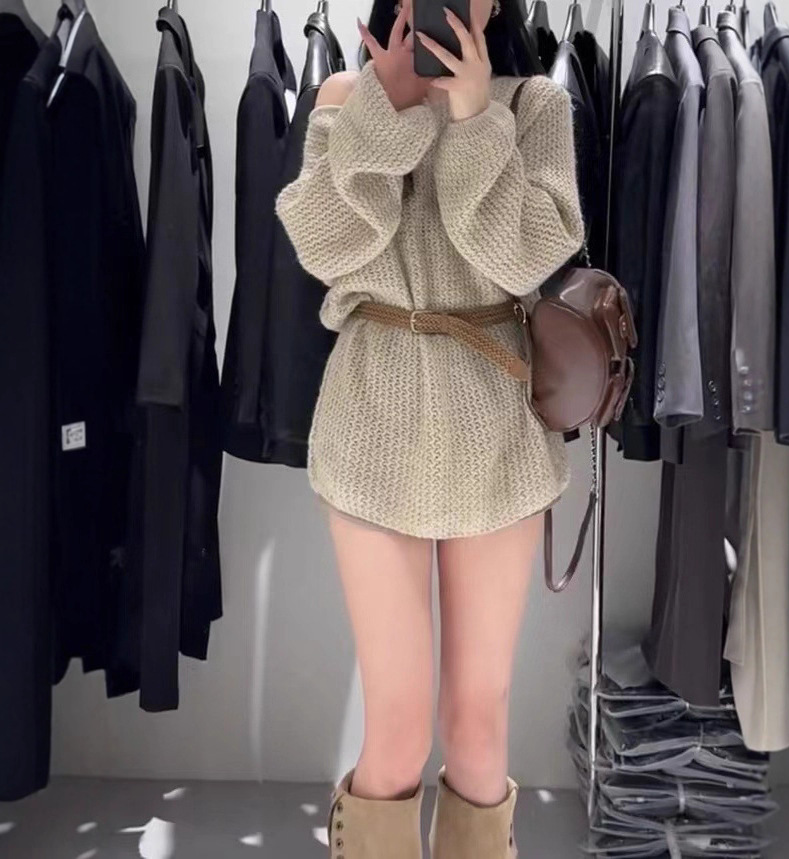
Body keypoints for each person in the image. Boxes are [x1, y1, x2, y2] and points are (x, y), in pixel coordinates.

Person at [276, 1, 584, 856]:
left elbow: (525, 258)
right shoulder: (345, 96)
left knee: (477, 723)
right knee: (399, 724)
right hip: (371, 418)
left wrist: (475, 118)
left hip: (496, 425)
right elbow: (326, 249)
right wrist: (387, 110)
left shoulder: (533, 105)